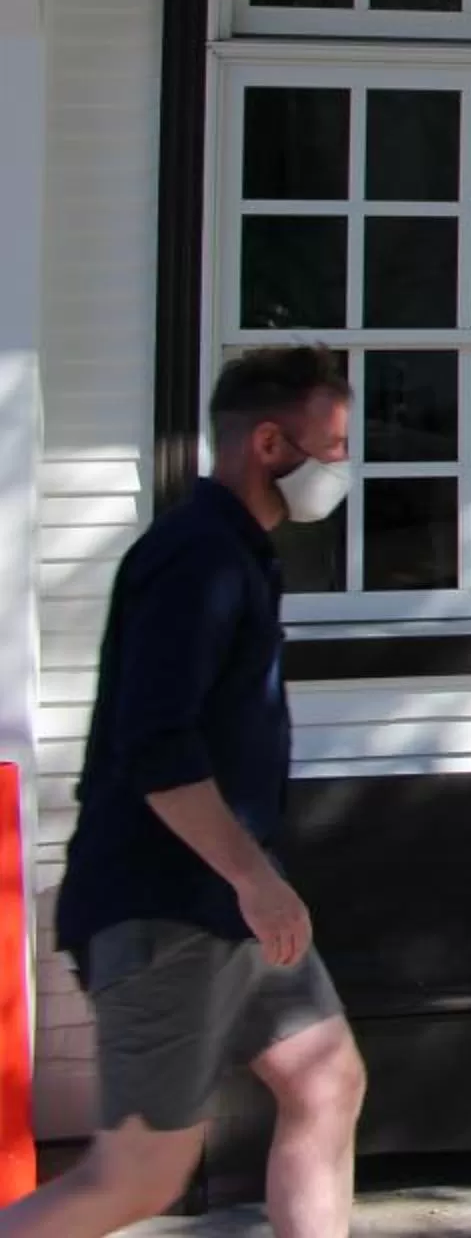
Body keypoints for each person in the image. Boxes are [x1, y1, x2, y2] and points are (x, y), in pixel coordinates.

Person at [3, 347, 368, 1236]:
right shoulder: (197, 558)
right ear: (271, 443)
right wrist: (256, 878)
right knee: (134, 1180)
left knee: (327, 1080)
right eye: (333, 448)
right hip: (164, 912)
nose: (342, 471)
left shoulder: (239, 554)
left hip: (226, 905)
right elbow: (156, 748)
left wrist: (250, 886)